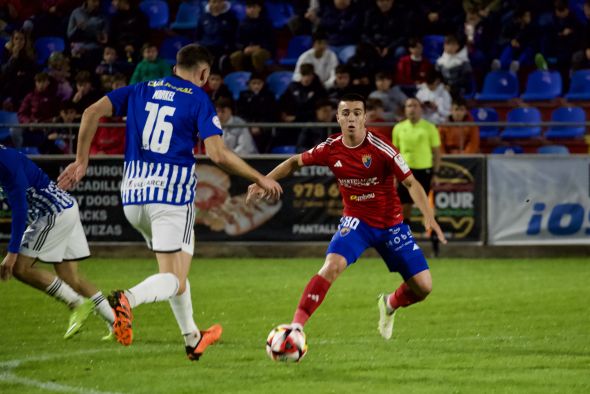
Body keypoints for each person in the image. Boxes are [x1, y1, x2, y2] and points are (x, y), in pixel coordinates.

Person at [57, 44, 282, 361]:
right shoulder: (198, 98)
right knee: (174, 278)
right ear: (203, 73)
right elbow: (217, 154)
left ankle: (192, 338)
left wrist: (81, 161)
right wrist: (260, 177)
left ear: (176, 67)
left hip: (134, 197)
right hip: (171, 197)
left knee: (176, 269)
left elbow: (90, 112)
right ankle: (126, 300)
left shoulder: (140, 88)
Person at [247, 93, 446, 344]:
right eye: (345, 113)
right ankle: (296, 326)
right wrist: (265, 180)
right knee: (332, 265)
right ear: (338, 118)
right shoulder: (330, 148)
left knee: (424, 287)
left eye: (356, 113)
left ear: (364, 118)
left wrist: (428, 216)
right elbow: (295, 162)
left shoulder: (380, 147)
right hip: (357, 222)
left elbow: (410, 182)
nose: (351, 118)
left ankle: (390, 303)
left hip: (391, 224)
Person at [0, 145, 116, 340]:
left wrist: (11, 254)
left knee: (20, 268)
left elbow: (20, 209)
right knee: (71, 279)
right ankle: (117, 323)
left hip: (54, 213)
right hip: (65, 206)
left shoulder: (5, 163)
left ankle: (76, 303)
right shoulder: (5, 156)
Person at [392, 98, 441, 228]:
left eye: (415, 106)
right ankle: (406, 236)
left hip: (424, 170)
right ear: (405, 110)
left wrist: (435, 173)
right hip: (405, 172)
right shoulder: (398, 128)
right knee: (405, 205)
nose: (412, 108)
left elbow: (436, 153)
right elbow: (394, 154)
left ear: (420, 109)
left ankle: (435, 237)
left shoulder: (430, 128)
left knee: (426, 205)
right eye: (409, 106)